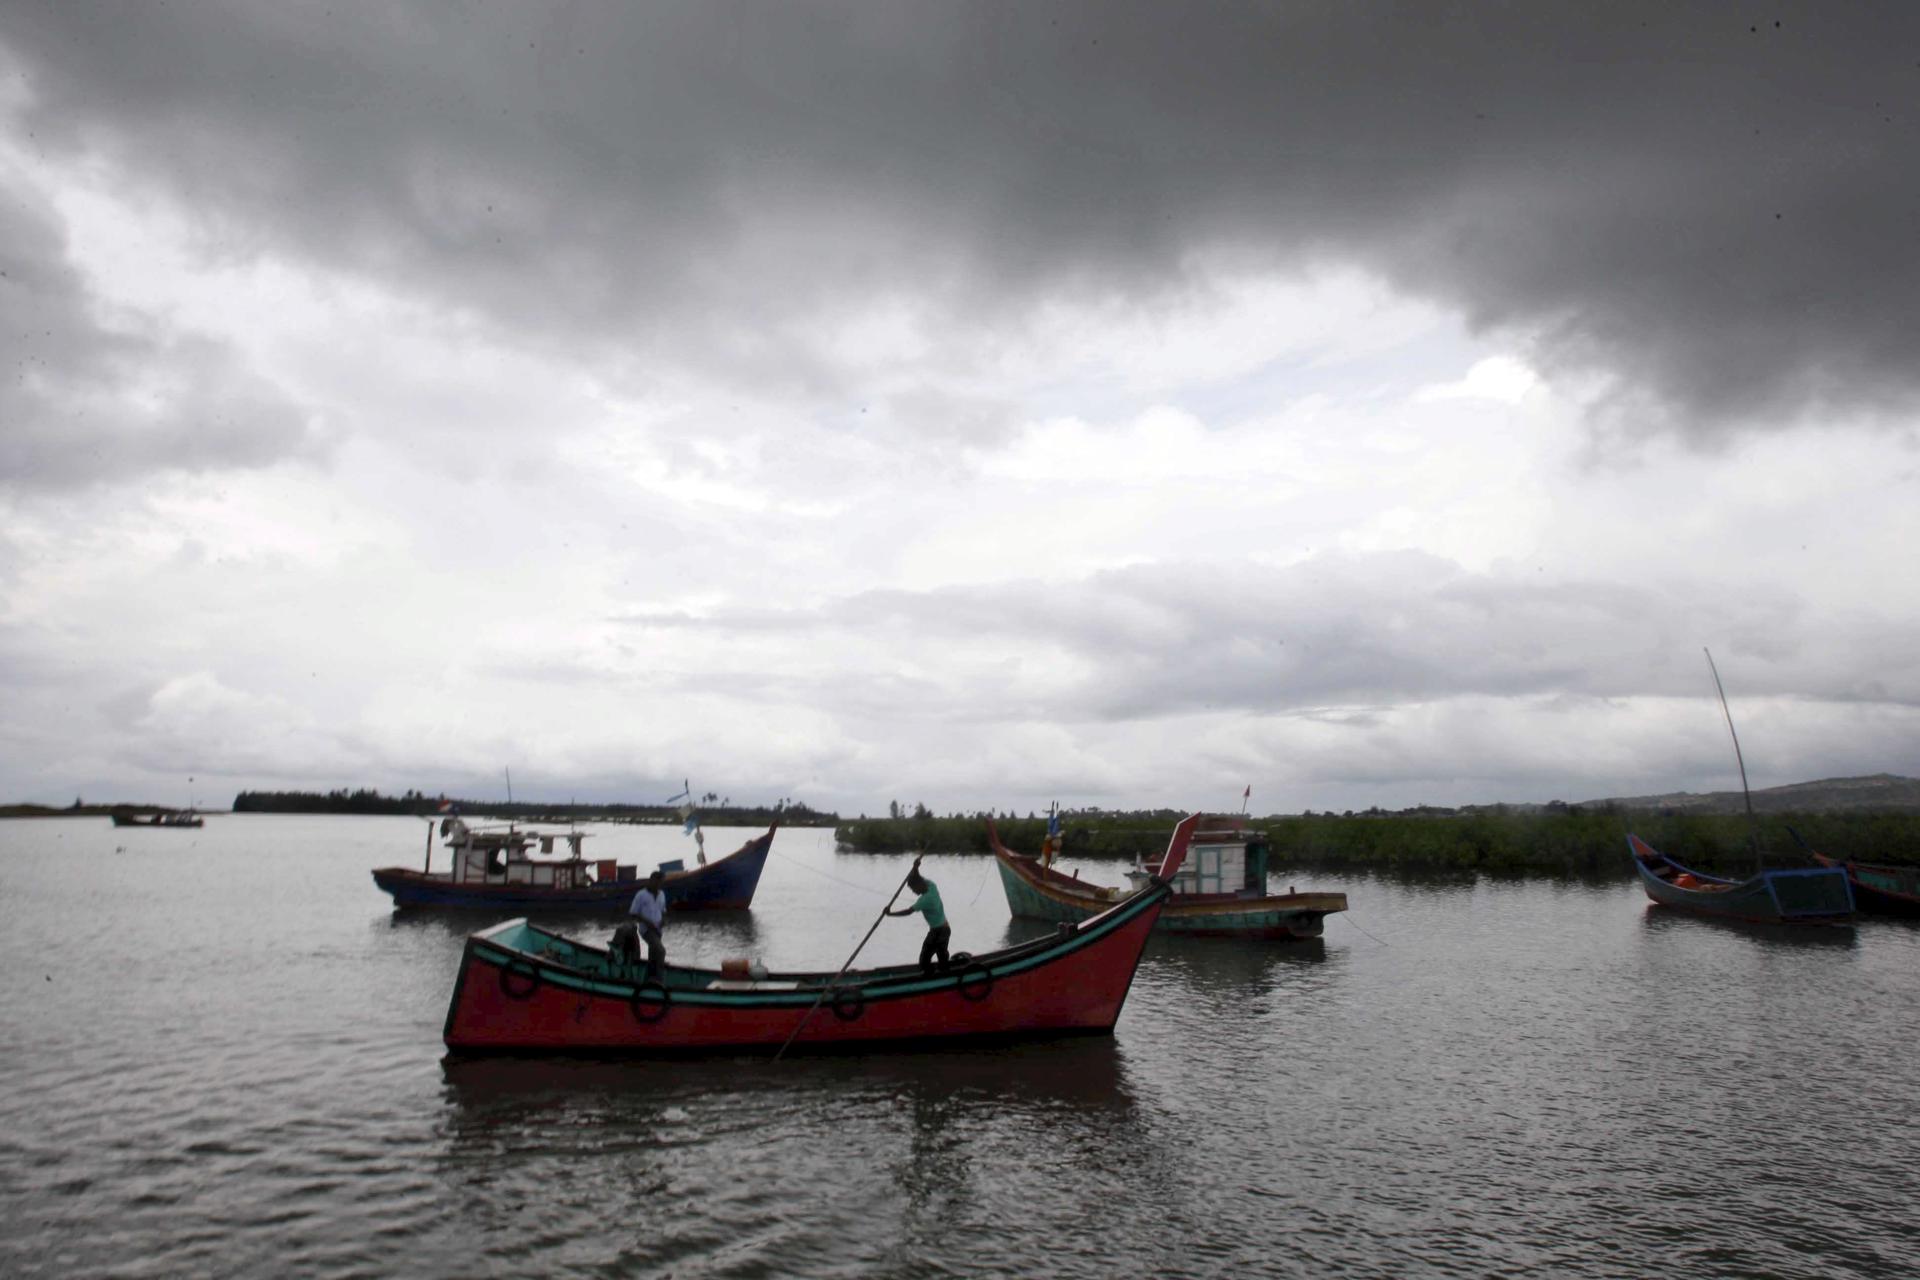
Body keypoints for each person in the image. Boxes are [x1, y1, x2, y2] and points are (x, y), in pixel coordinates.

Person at [886, 859, 950, 975]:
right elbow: (918, 876)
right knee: (942, 954)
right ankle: (944, 972)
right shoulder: (931, 885)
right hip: (945, 929)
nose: (913, 891)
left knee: (925, 958)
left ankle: (932, 977)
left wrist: (890, 914)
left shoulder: (925, 900)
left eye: (913, 889)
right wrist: (915, 867)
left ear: (919, 885)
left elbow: (908, 912)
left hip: (938, 931)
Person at [629, 868, 667, 985]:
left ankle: (648, 981)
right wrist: (646, 922)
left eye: (661, 883)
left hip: (658, 930)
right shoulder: (641, 895)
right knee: (661, 951)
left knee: (653, 956)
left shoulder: (661, 894)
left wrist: (663, 920)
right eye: (657, 882)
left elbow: (663, 910)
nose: (658, 885)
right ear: (651, 880)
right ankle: (658, 980)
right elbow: (633, 913)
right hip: (646, 930)